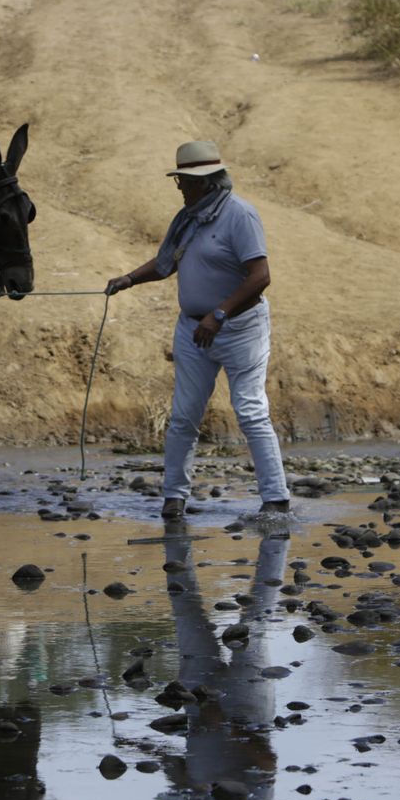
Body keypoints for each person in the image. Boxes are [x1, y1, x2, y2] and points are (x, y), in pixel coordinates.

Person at [106, 141, 291, 518]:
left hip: (240, 329)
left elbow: (260, 276)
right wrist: (127, 279)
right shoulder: (189, 218)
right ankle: (174, 498)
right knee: (184, 415)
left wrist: (219, 314)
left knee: (250, 411)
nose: (180, 188)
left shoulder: (240, 216)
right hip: (194, 330)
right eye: (179, 181)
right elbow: (164, 265)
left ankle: (276, 500)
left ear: (206, 182)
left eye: (185, 182)